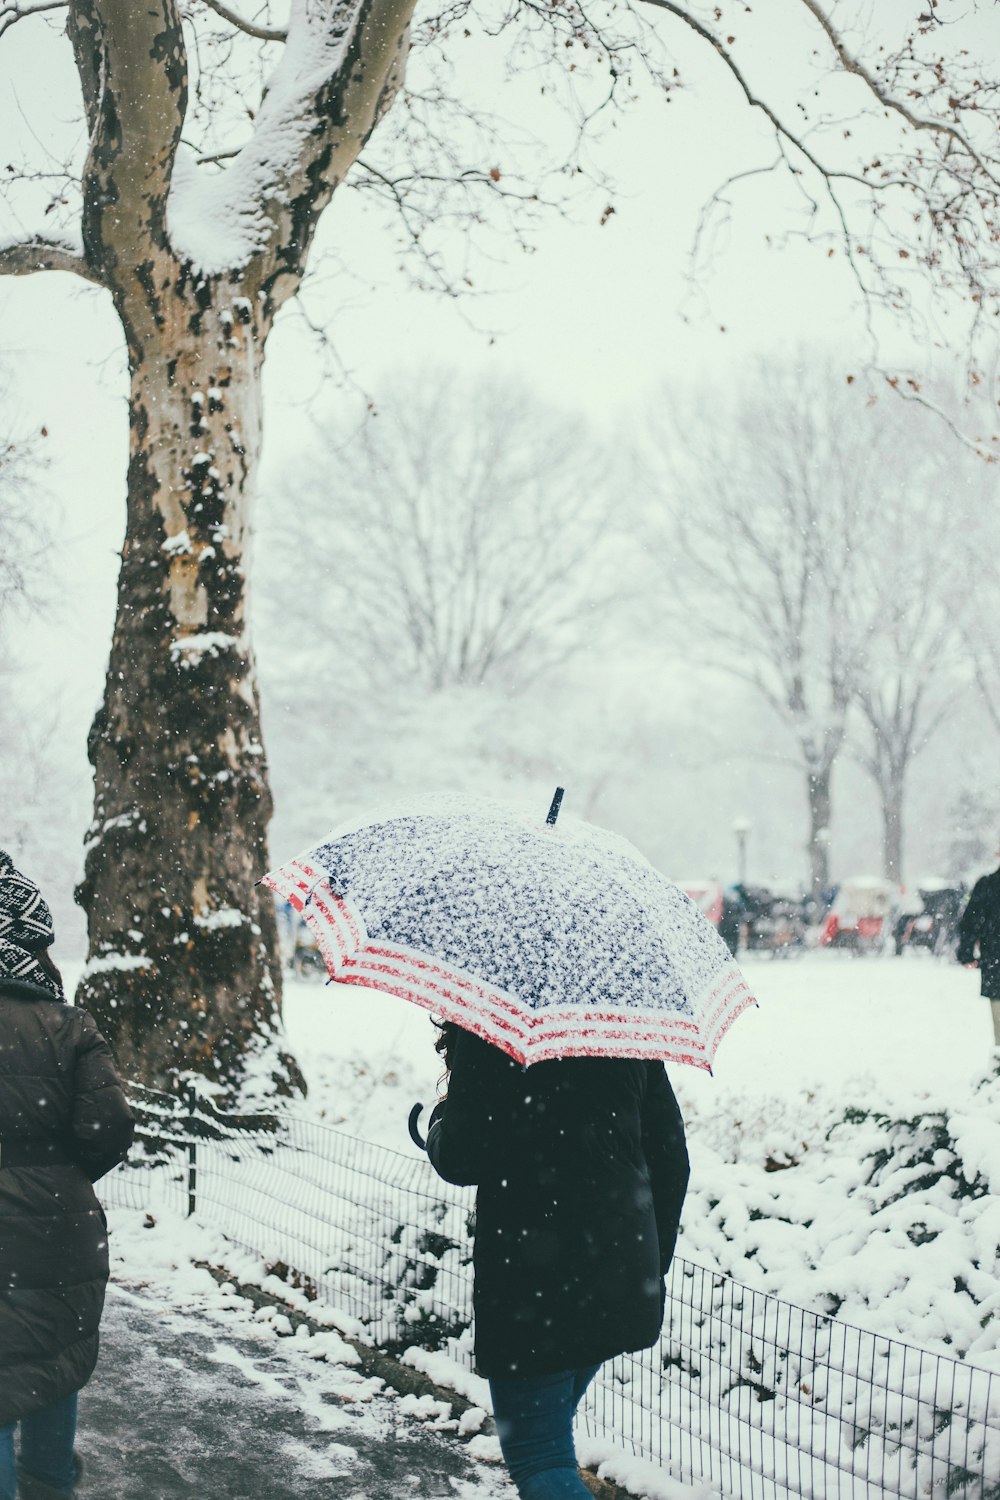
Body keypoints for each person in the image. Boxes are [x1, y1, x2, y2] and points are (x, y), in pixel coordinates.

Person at [425, 1021, 689, 1500]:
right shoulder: (618, 1021)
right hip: (620, 1269)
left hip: (534, 1280)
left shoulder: (493, 1021)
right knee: (548, 1437)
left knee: (539, 1458)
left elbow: (464, 1154)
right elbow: (671, 1154)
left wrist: (437, 1127)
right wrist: (650, 1262)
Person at [0, 851, 134, 1500]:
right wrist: (54, 1178)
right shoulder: (68, 1025)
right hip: (57, 1234)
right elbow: (108, 1130)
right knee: (52, 1366)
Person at [957, 848, 1000, 1048]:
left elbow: (970, 923)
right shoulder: (986, 886)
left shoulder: (987, 886)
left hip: (995, 963)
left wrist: (966, 953)